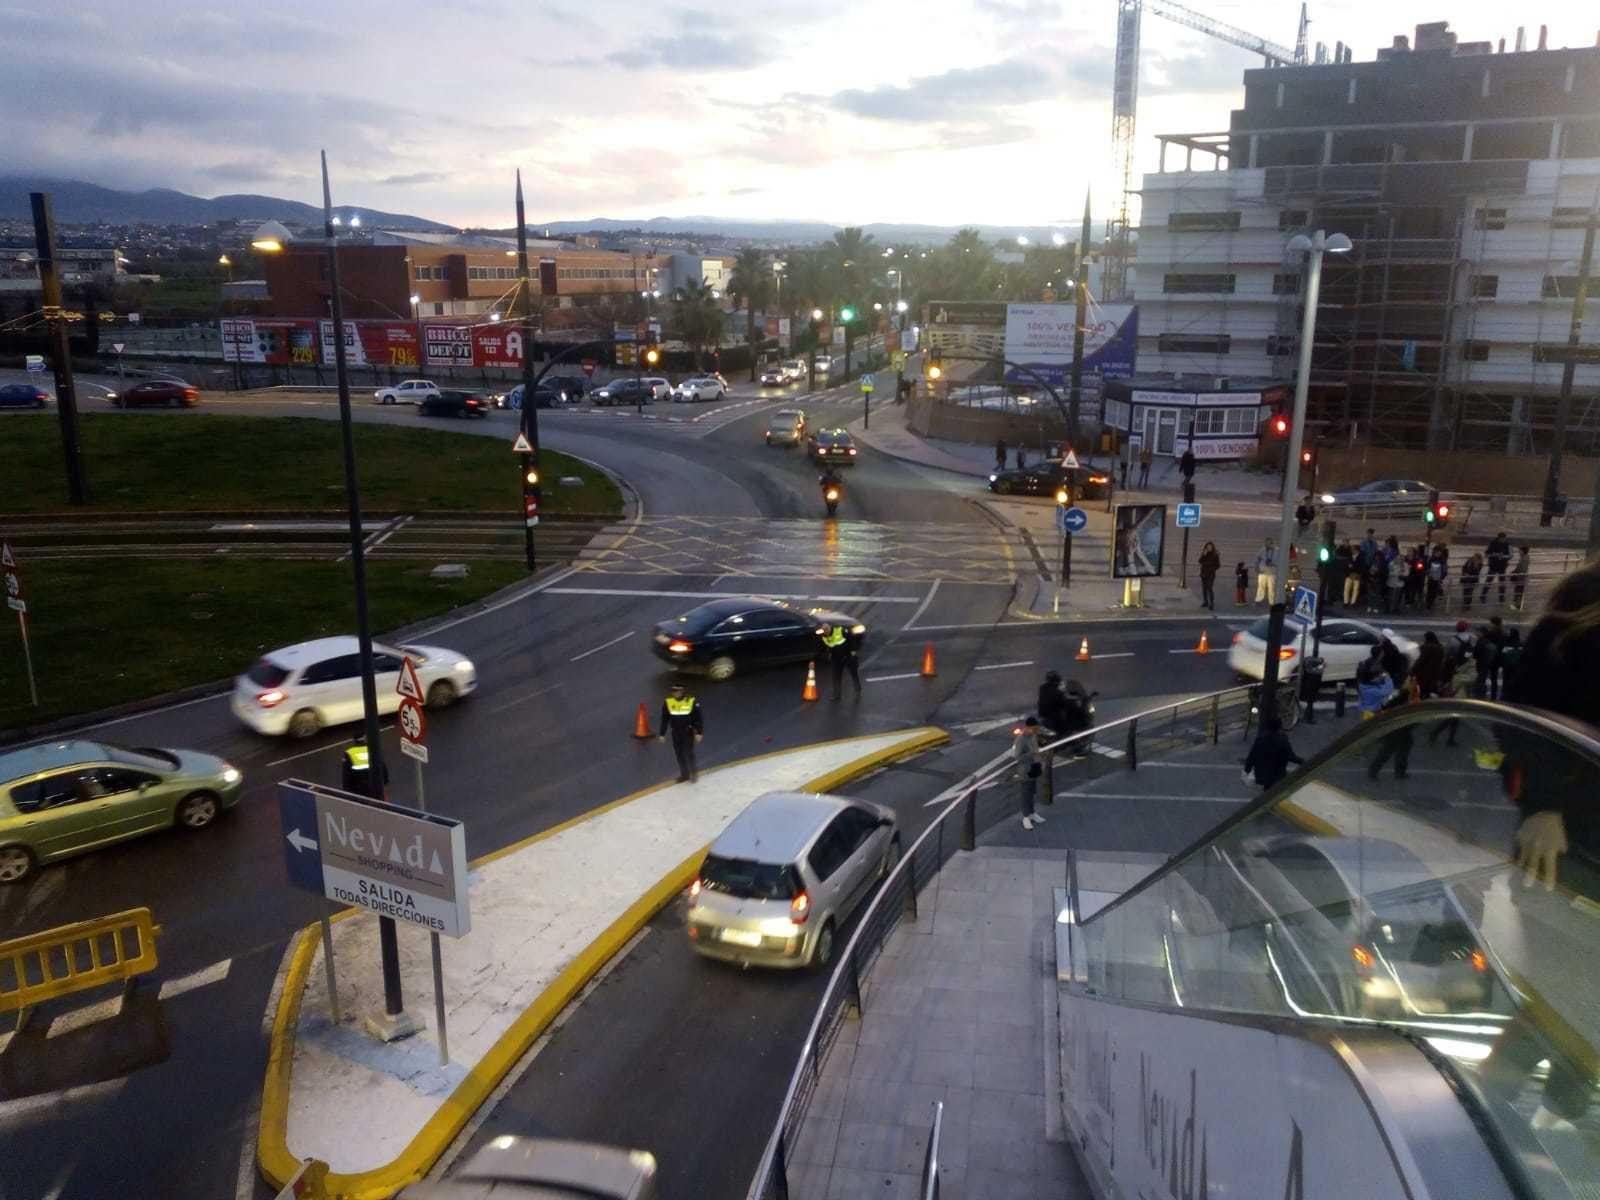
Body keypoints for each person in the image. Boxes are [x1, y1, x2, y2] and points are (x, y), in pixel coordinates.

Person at [1367, 677, 1419, 781]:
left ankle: (1376, 771)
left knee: (1395, 748)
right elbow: (1387, 706)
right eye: (1413, 683)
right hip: (1397, 726)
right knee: (1392, 749)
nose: (1415, 685)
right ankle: (1376, 771)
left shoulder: (1405, 694)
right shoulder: (1403, 694)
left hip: (1400, 726)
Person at [657, 683, 704, 782]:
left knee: (688, 753)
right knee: (679, 754)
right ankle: (684, 774)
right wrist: (662, 734)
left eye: (677, 691)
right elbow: (665, 719)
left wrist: (699, 732)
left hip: (688, 731)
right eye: (673, 691)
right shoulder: (668, 702)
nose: (675, 694)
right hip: (676, 733)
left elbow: (698, 718)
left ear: (682, 692)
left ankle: (693, 773)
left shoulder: (691, 701)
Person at [1242, 715, 1302, 789]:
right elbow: (1291, 756)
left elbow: (1252, 757)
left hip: (1261, 775)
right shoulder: (1282, 740)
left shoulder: (1260, 739)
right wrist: (1302, 762)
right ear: (1280, 727)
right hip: (1277, 775)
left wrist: (1246, 770)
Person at [1013, 716, 1046, 831]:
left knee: (1032, 792)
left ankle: (1032, 813)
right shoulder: (1021, 740)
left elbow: (1036, 750)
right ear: (1028, 727)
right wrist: (1031, 755)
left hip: (1033, 768)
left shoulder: (1033, 736)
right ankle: (1026, 817)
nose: (1036, 730)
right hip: (1025, 771)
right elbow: (1017, 757)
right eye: (1034, 728)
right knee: (1025, 794)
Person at [821, 621, 861, 700]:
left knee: (853, 673)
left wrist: (853, 651)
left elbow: (851, 638)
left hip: (847, 656)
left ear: (829, 628)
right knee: (836, 676)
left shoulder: (840, 630)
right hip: (836, 658)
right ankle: (837, 695)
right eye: (825, 631)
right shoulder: (824, 636)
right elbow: (827, 646)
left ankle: (857, 689)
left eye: (827, 630)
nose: (826, 633)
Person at [1356, 646, 1395, 718]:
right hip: (1372, 710)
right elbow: (1388, 691)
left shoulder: (1364, 682)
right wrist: (1387, 678)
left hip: (1365, 708)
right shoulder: (1373, 690)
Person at [1474, 615, 1506, 699]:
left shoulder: (1490, 633)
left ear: (1493, 623)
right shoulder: (1503, 633)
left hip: (1488, 657)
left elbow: (1485, 643)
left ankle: (1480, 695)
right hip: (1497, 658)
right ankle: (1493, 697)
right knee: (1494, 679)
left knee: (1483, 677)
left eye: (1491, 623)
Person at [1413, 630, 1446, 698]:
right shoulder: (1440, 647)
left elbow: (1421, 661)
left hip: (1425, 676)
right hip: (1436, 674)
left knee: (1423, 693)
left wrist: (1413, 670)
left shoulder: (1427, 647)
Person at [1483, 531, 1512, 605]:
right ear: (1499, 538)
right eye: (1502, 539)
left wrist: (1503, 557)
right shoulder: (1493, 543)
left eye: (1504, 539)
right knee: (1489, 581)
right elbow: (1487, 553)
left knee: (1502, 583)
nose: (1503, 540)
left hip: (1502, 566)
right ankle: (1483, 596)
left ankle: (1501, 598)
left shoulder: (1507, 544)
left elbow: (1510, 555)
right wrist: (1495, 554)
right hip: (1493, 565)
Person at [1197, 541, 1221, 610]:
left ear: (1212, 547)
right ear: (1206, 547)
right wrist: (1203, 555)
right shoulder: (1204, 554)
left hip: (1210, 574)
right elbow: (1200, 561)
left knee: (1209, 588)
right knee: (1204, 588)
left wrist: (1211, 569)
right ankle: (1205, 602)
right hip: (1204, 574)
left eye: (1210, 547)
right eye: (1207, 547)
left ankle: (1211, 603)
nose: (1209, 548)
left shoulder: (1215, 555)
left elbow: (1218, 565)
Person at [1425, 543, 1449, 612]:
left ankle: (1430, 604)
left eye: (1439, 552)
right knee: (1430, 592)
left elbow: (1445, 570)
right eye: (1436, 552)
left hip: (1438, 579)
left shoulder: (1442, 560)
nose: (1438, 553)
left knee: (1434, 592)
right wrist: (1428, 573)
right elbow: (1427, 568)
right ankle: (1428, 605)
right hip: (1431, 579)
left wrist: (1441, 577)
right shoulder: (1431, 559)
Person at [1254, 538, 1277, 605]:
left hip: (1272, 572)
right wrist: (1256, 567)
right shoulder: (1262, 550)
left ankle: (1272, 601)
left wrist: (1273, 564)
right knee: (1261, 586)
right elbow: (1257, 558)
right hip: (1262, 572)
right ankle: (1259, 599)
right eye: (1266, 543)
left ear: (1272, 544)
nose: (1267, 545)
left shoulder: (1277, 551)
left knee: (1272, 587)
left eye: (1269, 543)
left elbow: (1279, 561)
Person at [1335, 541, 1358, 608]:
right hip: (1345, 571)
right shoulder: (1344, 551)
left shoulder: (1346, 551)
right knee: (1346, 587)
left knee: (1346, 588)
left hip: (1346, 572)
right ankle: (1345, 601)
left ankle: (1346, 601)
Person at [1511, 545, 1531, 610]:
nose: (1519, 552)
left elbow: (1522, 569)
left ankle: (1517, 606)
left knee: (1518, 591)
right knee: (1519, 591)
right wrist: (1514, 571)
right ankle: (1517, 606)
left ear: (1523, 551)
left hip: (1521, 578)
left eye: (1520, 550)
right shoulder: (1524, 558)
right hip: (1521, 577)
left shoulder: (1524, 559)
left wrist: (1515, 573)